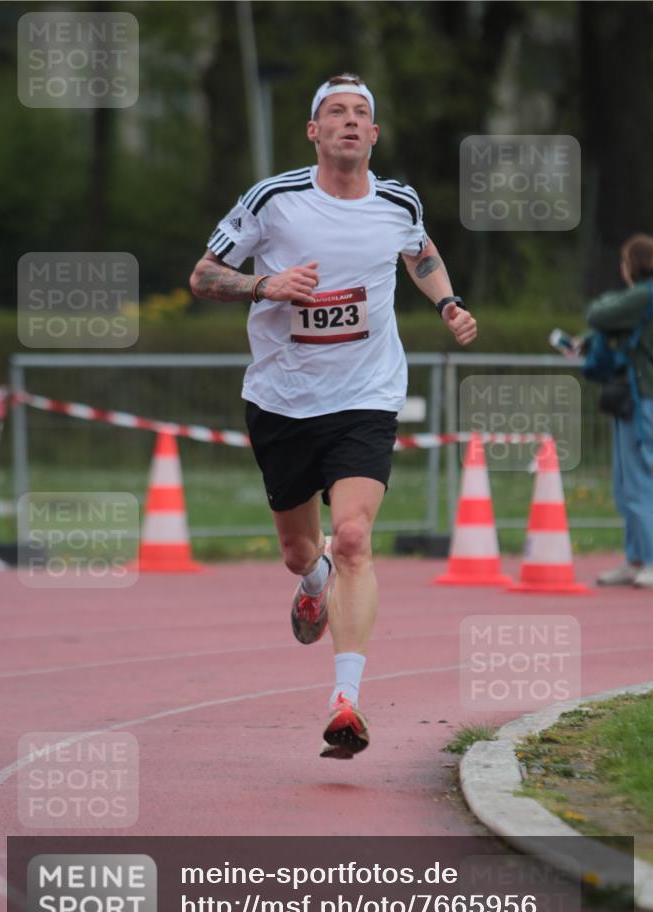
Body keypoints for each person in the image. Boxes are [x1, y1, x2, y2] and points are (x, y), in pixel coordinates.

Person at [190, 73, 477, 759]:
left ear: (373, 135)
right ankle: (311, 579)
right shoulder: (274, 200)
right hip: (282, 400)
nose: (349, 121)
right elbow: (202, 276)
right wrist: (265, 284)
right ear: (313, 132)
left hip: (366, 396)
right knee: (301, 551)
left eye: (360, 114)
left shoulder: (397, 200)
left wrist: (446, 302)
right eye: (334, 113)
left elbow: (421, 250)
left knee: (352, 537)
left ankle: (345, 700)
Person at [586, 234, 653, 589]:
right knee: (626, 481)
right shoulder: (641, 299)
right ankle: (636, 557)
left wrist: (612, 299)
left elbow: (599, 313)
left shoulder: (644, 295)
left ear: (632, 266)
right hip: (636, 396)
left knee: (640, 478)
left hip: (645, 397)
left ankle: (650, 559)